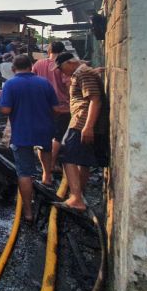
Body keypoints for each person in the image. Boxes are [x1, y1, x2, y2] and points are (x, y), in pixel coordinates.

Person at [0, 55, 61, 221]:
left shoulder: (10, 85)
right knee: (45, 148)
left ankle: (28, 211)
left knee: (25, 173)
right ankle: (47, 177)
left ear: (13, 69)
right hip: (44, 129)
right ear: (31, 66)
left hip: (22, 133)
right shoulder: (44, 83)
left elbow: (5, 110)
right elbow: (56, 108)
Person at [52, 52, 108, 212]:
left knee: (66, 155)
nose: (62, 73)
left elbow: (94, 100)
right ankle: (79, 195)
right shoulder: (85, 73)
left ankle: (76, 197)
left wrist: (88, 126)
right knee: (83, 161)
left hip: (81, 122)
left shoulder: (82, 73)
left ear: (70, 63)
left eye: (61, 68)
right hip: (82, 121)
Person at [32, 41, 71, 180]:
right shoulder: (63, 65)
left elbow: (33, 82)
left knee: (45, 138)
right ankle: (53, 164)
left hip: (43, 107)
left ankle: (45, 172)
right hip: (62, 107)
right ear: (62, 51)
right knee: (58, 137)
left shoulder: (38, 64)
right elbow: (68, 85)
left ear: (49, 51)